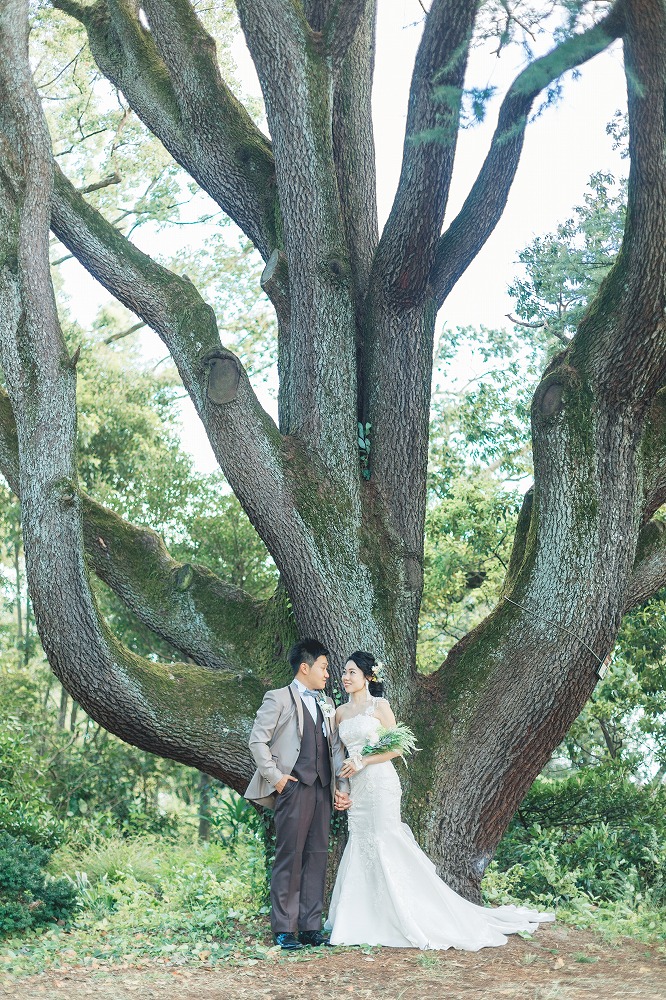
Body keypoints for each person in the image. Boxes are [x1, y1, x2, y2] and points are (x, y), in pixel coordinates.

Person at [326, 650, 554, 950]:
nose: (345, 676)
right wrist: (341, 787)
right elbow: (336, 757)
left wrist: (364, 761)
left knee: (384, 840)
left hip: (380, 785)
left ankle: (408, 915)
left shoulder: (380, 707)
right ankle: (363, 919)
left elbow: (397, 748)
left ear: (368, 676)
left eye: (352, 672)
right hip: (356, 790)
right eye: (344, 671)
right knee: (360, 843)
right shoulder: (340, 713)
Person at [245, 638, 351, 950]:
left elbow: (336, 748)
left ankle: (309, 928)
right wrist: (277, 779)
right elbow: (257, 741)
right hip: (292, 789)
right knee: (289, 857)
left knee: (317, 856)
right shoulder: (277, 699)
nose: (328, 674)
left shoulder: (327, 703)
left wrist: (339, 788)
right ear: (304, 667)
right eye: (323, 667)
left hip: (321, 789)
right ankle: (284, 929)